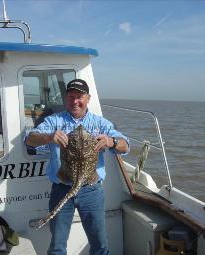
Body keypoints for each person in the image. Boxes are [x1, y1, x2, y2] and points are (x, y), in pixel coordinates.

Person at [25, 79, 129, 255]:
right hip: (61, 188)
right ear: (66, 98)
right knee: (57, 244)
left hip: (91, 190)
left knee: (100, 243)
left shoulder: (100, 123)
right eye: (71, 97)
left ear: (88, 98)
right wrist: (49, 137)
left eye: (79, 97)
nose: (75, 101)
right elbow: (29, 139)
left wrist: (110, 141)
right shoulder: (54, 121)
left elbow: (125, 146)